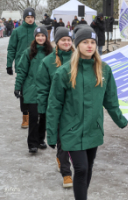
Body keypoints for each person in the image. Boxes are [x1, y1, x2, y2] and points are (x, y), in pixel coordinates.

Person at [46, 25, 128, 200]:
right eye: (85, 42)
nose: (89, 46)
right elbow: (54, 106)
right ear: (77, 45)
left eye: (92, 42)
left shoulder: (104, 70)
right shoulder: (64, 72)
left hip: (93, 128)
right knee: (81, 168)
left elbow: (110, 101)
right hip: (71, 130)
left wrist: (121, 120)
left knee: (88, 168)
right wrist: (52, 135)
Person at [36, 27, 74, 188]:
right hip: (57, 108)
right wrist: (43, 110)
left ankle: (67, 161)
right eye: (63, 40)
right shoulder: (47, 62)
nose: (66, 42)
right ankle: (66, 173)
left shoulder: (79, 59)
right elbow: (43, 88)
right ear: (57, 42)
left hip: (76, 107)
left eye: (69, 39)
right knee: (62, 141)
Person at [14, 26, 53, 153]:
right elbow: (22, 71)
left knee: (44, 116)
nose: (40, 38)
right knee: (34, 116)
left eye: (42, 36)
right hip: (31, 88)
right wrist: (18, 86)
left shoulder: (51, 52)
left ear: (46, 37)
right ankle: (32, 143)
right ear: (35, 37)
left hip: (46, 90)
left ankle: (41, 139)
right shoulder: (28, 52)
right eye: (38, 36)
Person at [7, 8, 37, 128]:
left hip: (37, 66)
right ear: (24, 18)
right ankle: (25, 116)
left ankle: (36, 114)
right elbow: (11, 48)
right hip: (22, 66)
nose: (30, 19)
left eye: (32, 17)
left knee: (38, 90)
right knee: (23, 91)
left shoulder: (38, 31)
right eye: (28, 17)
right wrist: (9, 64)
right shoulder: (17, 31)